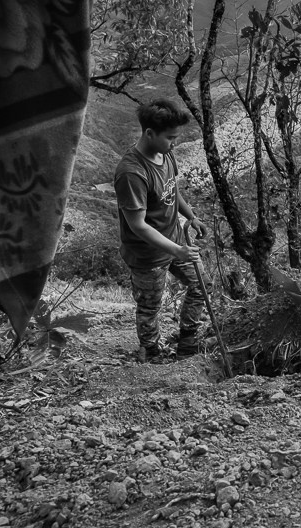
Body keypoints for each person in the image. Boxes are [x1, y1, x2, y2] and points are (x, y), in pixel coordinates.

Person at [114, 98, 208, 362]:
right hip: (147, 254)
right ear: (149, 133)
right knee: (150, 306)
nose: (174, 143)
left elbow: (172, 190)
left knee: (202, 285)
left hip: (175, 239)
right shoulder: (132, 173)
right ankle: (152, 353)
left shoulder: (165, 153)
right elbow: (138, 226)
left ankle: (188, 342)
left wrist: (191, 216)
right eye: (170, 137)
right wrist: (177, 250)